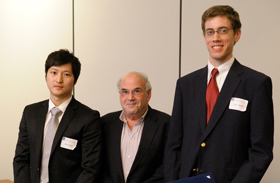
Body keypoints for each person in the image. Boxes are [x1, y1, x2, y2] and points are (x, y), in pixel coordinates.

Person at [164, 5, 274, 183]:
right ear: (204, 37)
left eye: (223, 31)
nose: (216, 38)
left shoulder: (256, 84)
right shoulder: (186, 84)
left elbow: (261, 151)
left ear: (237, 34)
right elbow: (173, 145)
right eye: (210, 32)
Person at [13, 49, 102, 183]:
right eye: (54, 72)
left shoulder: (88, 118)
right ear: (46, 76)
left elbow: (91, 168)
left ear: (75, 80)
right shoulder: (30, 112)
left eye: (66, 74)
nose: (59, 80)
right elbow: (21, 159)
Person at [101, 71, 170, 183]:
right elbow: (97, 164)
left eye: (136, 91)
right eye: (125, 92)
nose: (130, 97)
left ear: (148, 94)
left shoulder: (166, 124)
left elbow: (168, 166)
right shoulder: (104, 123)